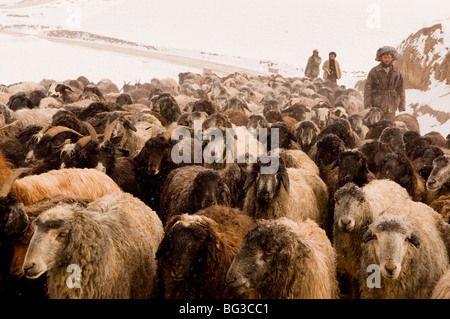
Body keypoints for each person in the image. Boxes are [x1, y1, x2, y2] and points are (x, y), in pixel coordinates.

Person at [364, 46, 405, 122]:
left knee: (389, 126)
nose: (387, 59)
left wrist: (401, 105)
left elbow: (401, 89)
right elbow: (368, 89)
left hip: (391, 104)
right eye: (385, 57)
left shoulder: (396, 71)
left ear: (392, 58)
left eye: (389, 57)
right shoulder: (374, 71)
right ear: (380, 58)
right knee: (376, 126)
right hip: (377, 104)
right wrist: (367, 104)